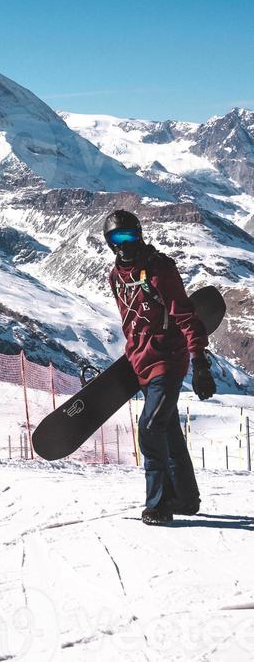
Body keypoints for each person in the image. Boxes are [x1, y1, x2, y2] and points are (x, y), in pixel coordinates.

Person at [104, 209, 216, 526]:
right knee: (167, 430)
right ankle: (186, 498)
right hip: (141, 363)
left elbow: (186, 317)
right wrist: (133, 354)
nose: (125, 245)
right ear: (110, 244)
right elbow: (132, 321)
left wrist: (200, 363)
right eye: (117, 239)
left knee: (150, 428)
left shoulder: (160, 270)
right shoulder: (116, 277)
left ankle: (160, 503)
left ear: (139, 235)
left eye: (129, 236)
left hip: (168, 362)